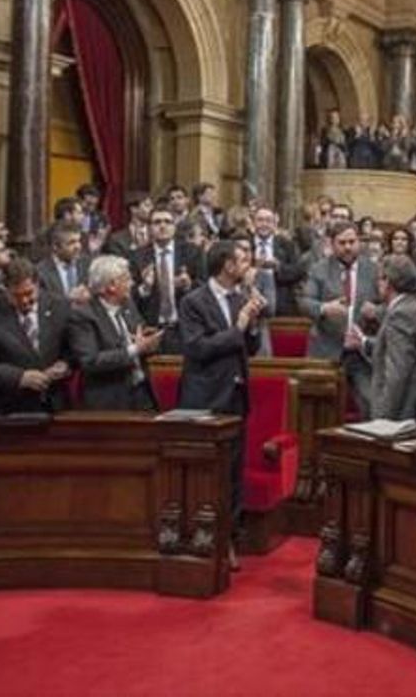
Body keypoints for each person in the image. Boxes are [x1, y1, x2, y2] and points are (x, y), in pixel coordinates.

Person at [177, 241, 266, 570]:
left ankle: (228, 538)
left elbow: (250, 348)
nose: (248, 264)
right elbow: (197, 349)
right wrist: (239, 326)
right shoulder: (193, 301)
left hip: (236, 396)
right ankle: (202, 538)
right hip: (204, 398)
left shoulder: (242, 298)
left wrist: (253, 323)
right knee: (206, 472)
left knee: (233, 474)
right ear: (228, 265)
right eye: (243, 259)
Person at [0, 258, 76, 417]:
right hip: (10, 409)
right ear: (5, 289)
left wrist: (65, 365)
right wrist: (20, 377)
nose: (25, 301)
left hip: (56, 407)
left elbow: (73, 350)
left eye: (29, 293)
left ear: (37, 285)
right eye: (16, 295)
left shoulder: (60, 306)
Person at [299, 220, 383, 417]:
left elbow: (389, 304)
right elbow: (304, 302)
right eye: (342, 242)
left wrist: (376, 311)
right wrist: (323, 308)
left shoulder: (373, 269)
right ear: (331, 243)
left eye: (352, 242)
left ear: (359, 242)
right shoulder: (319, 269)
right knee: (319, 411)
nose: (347, 247)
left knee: (372, 404)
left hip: (361, 353)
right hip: (327, 349)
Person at [71, 255, 163, 411]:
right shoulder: (83, 315)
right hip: (110, 400)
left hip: (142, 393)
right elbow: (90, 361)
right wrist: (135, 349)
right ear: (111, 286)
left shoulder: (128, 305)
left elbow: (139, 337)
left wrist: (149, 342)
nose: (132, 283)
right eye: (127, 279)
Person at [359, 254, 416, 430]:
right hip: (413, 407)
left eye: (379, 279)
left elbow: (397, 374)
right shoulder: (415, 308)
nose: (377, 284)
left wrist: (381, 420)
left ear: (388, 281)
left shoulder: (400, 315)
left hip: (403, 413)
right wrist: (364, 342)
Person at [132, 207, 205, 354]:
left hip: (184, 328)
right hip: (151, 330)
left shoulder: (192, 252)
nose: (162, 226)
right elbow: (129, 297)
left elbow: (205, 287)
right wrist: (145, 288)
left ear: (174, 226)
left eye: (167, 222)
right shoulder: (137, 257)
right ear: (149, 228)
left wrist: (188, 285)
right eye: (157, 222)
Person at [251, 207, 303, 317]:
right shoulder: (245, 243)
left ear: (274, 224)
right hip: (250, 300)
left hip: (280, 302)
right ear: (253, 222)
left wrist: (278, 267)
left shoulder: (286, 244)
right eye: (260, 220)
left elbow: (298, 271)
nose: (264, 224)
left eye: (268, 221)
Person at [36, 221, 91, 305]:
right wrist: (68, 299)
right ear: (56, 246)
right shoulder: (41, 271)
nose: (78, 247)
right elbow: (44, 300)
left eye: (78, 241)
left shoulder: (87, 264)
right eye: (71, 243)